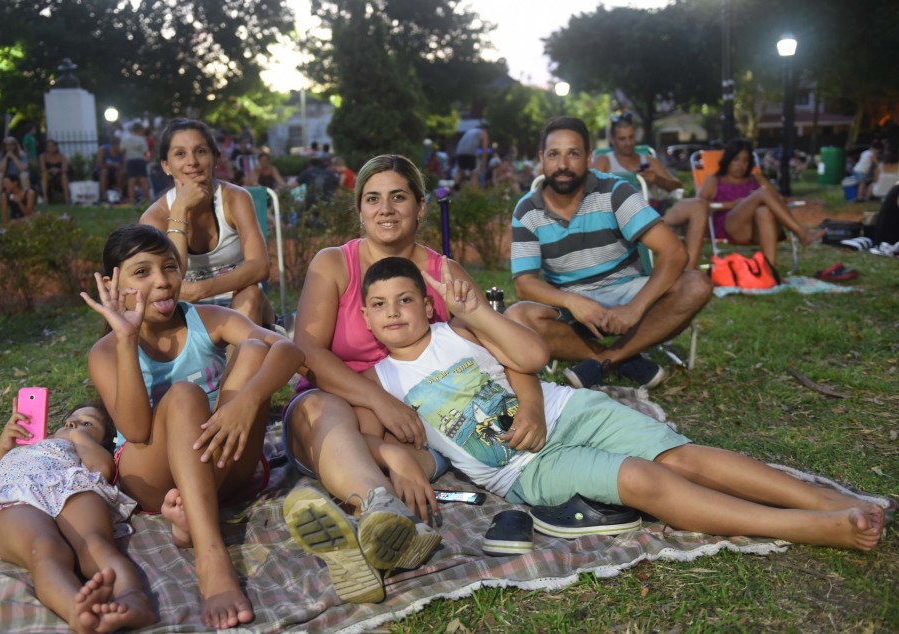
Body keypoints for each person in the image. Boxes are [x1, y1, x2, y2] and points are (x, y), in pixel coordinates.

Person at [358, 256, 885, 552]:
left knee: (684, 456)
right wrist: (397, 457)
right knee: (640, 478)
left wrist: (473, 310)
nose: (394, 312)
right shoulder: (379, 380)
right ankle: (808, 526)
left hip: (568, 409)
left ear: (428, 303)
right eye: (380, 305)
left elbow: (531, 355)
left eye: (406, 299)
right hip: (528, 466)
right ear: (365, 316)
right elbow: (364, 438)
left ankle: (820, 502)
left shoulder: (460, 331)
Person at [281, 154, 546, 604]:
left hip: (423, 433)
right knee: (320, 407)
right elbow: (306, 354)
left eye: (398, 197)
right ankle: (380, 513)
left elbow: (500, 350)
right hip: (338, 423)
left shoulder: (444, 275)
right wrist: (381, 404)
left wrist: (532, 404)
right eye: (373, 199)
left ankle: (362, 544)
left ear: (421, 207)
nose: (385, 209)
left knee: (428, 451)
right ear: (360, 210)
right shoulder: (334, 265)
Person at [81, 223, 304, 629]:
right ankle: (211, 556)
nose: (163, 282)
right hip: (149, 472)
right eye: (142, 272)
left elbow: (288, 349)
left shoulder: (207, 318)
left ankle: (191, 515)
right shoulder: (106, 351)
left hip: (223, 464)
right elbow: (135, 430)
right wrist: (127, 339)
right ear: (113, 284)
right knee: (184, 395)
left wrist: (247, 402)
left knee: (255, 349)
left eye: (169, 267)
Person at [507, 116, 712, 390]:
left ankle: (607, 360)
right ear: (541, 158)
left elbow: (674, 252)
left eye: (574, 154)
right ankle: (619, 358)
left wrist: (634, 309)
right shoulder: (527, 210)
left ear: (590, 158)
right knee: (517, 317)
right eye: (554, 155)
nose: (563, 165)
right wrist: (572, 302)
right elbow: (524, 283)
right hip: (571, 307)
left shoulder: (614, 191)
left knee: (697, 284)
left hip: (627, 292)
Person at [0, 398, 156, 633]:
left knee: (95, 542)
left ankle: (133, 598)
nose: (72, 425)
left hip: (70, 486)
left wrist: (79, 436)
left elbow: (102, 470)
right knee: (43, 548)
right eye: (69, 422)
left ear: (104, 440)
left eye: (86, 424)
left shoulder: (80, 448)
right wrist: (2, 446)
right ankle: (77, 611)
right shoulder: (21, 450)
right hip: (17, 496)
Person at [140, 118, 277, 327]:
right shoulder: (154, 218)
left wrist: (199, 290)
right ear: (166, 166)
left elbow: (260, 267)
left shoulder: (235, 198)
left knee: (250, 293)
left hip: (243, 308)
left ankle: (238, 359)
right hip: (187, 314)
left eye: (201, 151)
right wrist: (180, 209)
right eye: (180, 154)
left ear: (215, 158)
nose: (192, 161)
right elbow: (172, 278)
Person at [593, 115, 709, 269]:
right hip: (623, 220)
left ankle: (689, 271)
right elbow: (590, 191)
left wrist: (657, 180)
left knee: (698, 205)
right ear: (613, 140)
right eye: (622, 139)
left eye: (631, 137)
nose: (628, 143)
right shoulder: (604, 161)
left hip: (655, 214)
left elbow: (677, 186)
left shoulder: (648, 161)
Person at [697, 138, 826, 267]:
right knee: (762, 192)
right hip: (732, 228)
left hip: (762, 228)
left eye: (745, 160)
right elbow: (697, 207)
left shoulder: (756, 179)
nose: (741, 165)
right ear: (727, 160)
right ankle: (801, 232)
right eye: (736, 159)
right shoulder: (714, 181)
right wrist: (732, 204)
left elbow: (778, 200)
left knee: (763, 210)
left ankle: (770, 270)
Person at [120, 122, 150, 203]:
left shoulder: (126, 139)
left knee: (131, 181)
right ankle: (147, 199)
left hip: (130, 160)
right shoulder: (142, 139)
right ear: (140, 130)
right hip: (140, 160)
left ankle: (131, 199)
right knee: (143, 180)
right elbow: (145, 151)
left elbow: (122, 150)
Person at [454, 122, 489, 188]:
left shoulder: (470, 131)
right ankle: (474, 191)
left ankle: (455, 188)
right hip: (470, 152)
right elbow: (484, 149)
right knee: (474, 172)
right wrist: (483, 163)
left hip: (459, 152)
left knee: (460, 171)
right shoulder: (483, 132)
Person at [95, 138, 126, 202]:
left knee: (121, 174)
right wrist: (112, 165)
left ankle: (118, 195)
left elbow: (123, 166)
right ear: (115, 146)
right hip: (102, 171)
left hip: (115, 172)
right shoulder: (103, 150)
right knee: (104, 172)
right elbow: (99, 164)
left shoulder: (122, 153)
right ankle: (104, 196)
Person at [40, 139, 71, 204]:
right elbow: (43, 169)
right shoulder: (43, 156)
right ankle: (45, 198)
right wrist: (50, 170)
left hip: (59, 175)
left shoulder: (61, 156)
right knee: (44, 175)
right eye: (49, 146)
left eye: (53, 146)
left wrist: (58, 170)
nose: (51, 148)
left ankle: (67, 198)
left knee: (64, 176)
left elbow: (65, 168)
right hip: (49, 175)